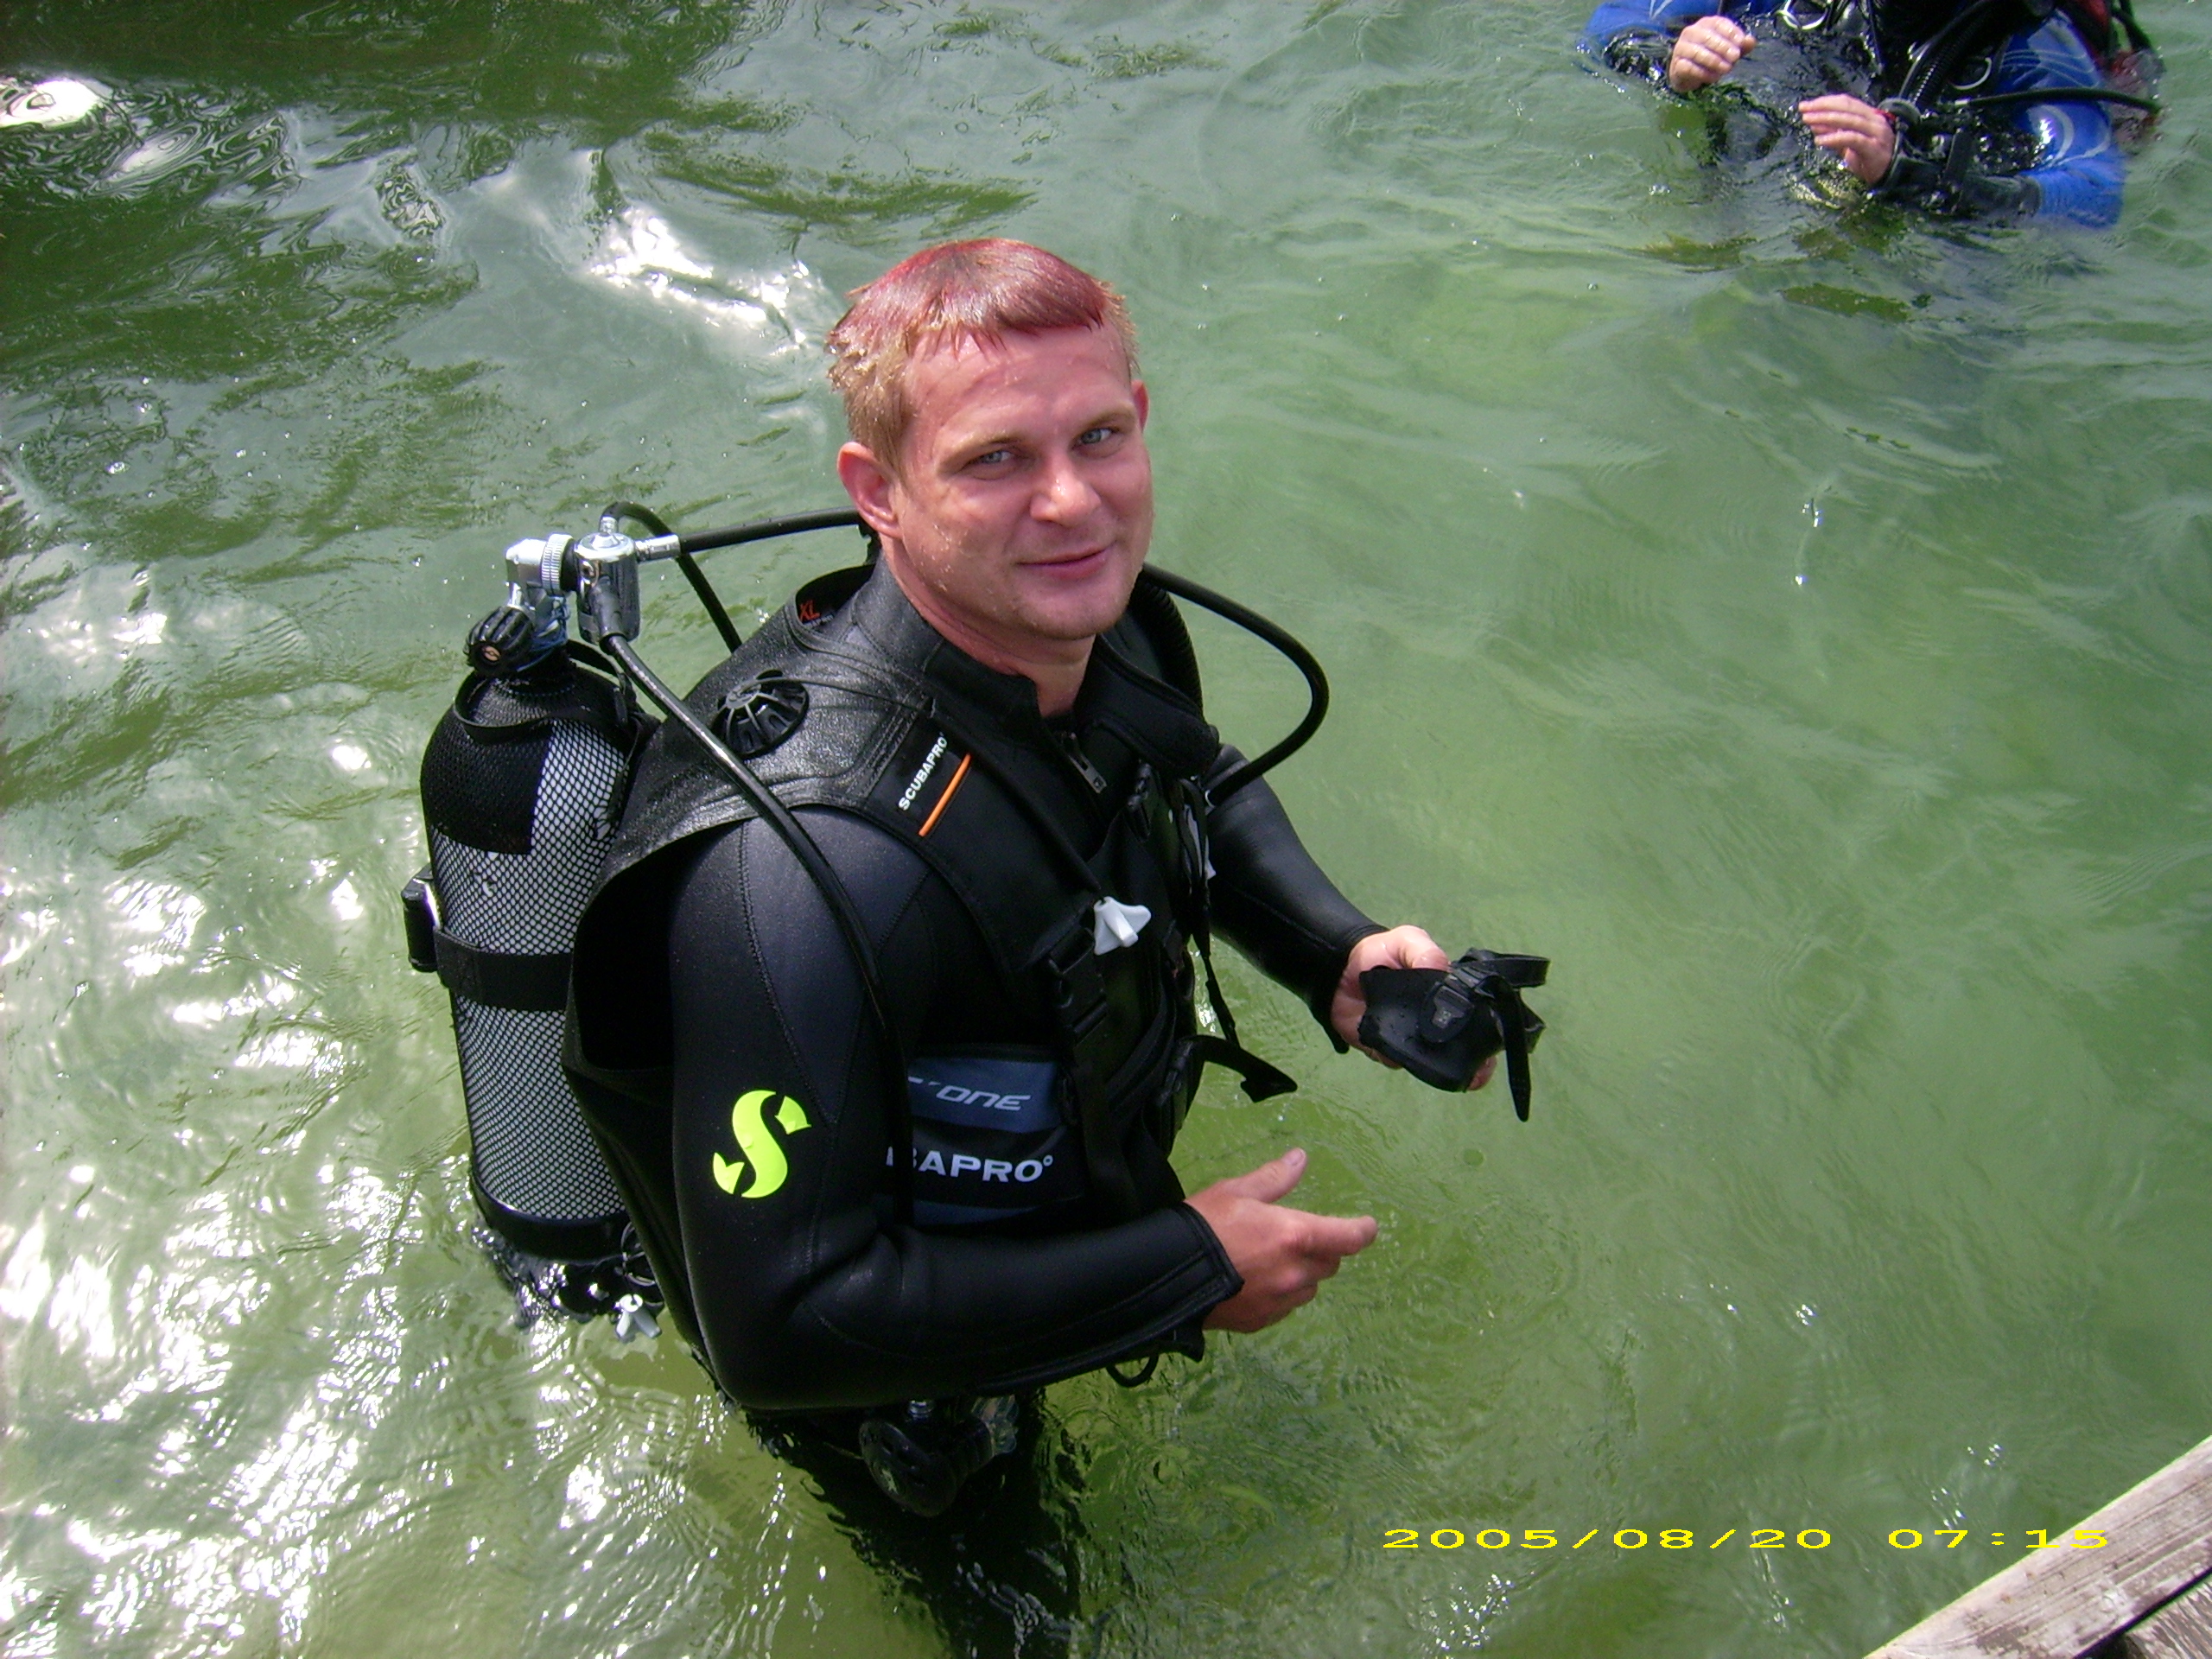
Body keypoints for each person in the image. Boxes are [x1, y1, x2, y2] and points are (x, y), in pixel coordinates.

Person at [563, 238, 1494, 1510]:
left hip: (1059, 1218)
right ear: (879, 493)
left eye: (1098, 437)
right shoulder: (794, 876)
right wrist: (1186, 1270)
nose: (1071, 503)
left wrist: (1331, 951)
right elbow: (777, 1330)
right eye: (994, 459)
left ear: (1141, 420)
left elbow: (1191, 775)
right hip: (890, 1385)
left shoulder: (1104, 618)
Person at [1579, 0, 2157, 226]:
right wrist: (1673, 64)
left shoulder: (2032, 48)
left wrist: (1911, 177)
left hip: (1932, 260)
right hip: (1757, 190)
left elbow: (2095, 194)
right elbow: (1607, 31)